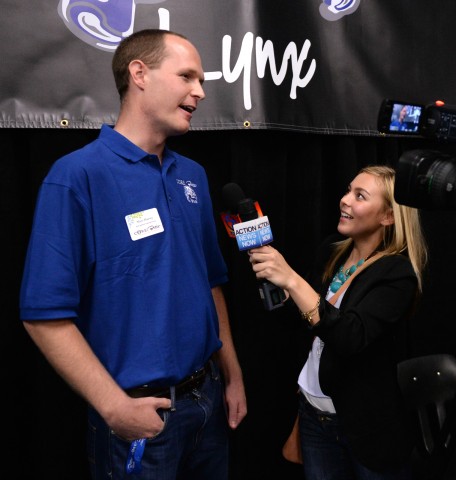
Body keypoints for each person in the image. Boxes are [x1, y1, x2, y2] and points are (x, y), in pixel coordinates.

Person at [19, 29, 247, 479]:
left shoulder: (193, 177)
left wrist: (233, 375)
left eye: (200, 80)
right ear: (139, 74)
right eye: (187, 76)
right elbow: (44, 316)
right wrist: (114, 408)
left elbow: (210, 282)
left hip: (208, 406)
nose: (199, 91)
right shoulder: (76, 177)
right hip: (142, 418)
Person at [248, 165, 428, 479]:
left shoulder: (396, 274)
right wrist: (286, 293)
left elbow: (349, 337)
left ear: (388, 216)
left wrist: (291, 279)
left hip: (365, 429)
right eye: (348, 190)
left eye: (360, 196)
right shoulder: (333, 252)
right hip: (313, 416)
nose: (345, 200)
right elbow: (316, 323)